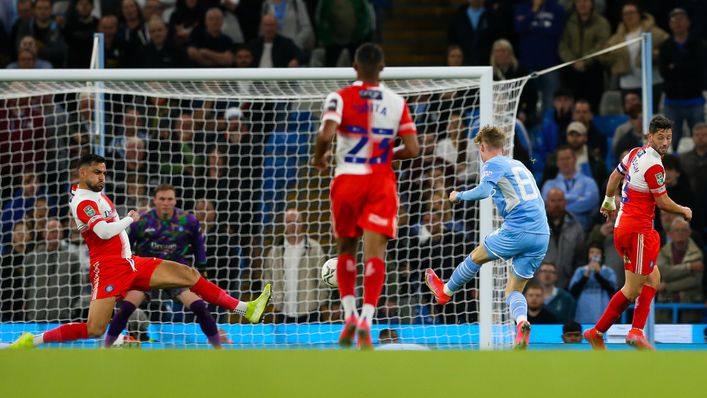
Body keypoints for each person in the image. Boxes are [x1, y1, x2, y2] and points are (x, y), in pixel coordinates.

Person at [9, 154, 272, 349]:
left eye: (104, 172)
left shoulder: (97, 196)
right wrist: (130, 219)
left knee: (187, 274)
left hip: (130, 262)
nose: (102, 177)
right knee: (94, 328)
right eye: (96, 172)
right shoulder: (82, 202)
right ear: (81, 173)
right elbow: (102, 232)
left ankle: (246, 309)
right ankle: (34, 340)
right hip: (109, 269)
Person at [311, 43, 420, 349]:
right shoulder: (397, 102)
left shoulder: (339, 97)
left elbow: (326, 134)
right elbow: (413, 149)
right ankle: (367, 321)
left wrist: (319, 157)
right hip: (379, 181)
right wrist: (386, 154)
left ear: (355, 67)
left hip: (347, 179)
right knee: (376, 255)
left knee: (346, 248)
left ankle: (348, 315)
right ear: (382, 67)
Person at [425, 126, 550, 349]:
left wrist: (458, 196)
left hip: (518, 229)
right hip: (542, 234)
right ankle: (522, 323)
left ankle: (445, 293)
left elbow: (483, 191)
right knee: (513, 290)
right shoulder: (518, 165)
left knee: (475, 257)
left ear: (482, 147)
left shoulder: (493, 163)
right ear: (502, 146)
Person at [583, 115, 692, 351]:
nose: (665, 142)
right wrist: (683, 210)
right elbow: (662, 202)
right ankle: (600, 332)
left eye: (669, 138)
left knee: (653, 277)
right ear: (650, 136)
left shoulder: (634, 153)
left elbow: (614, 177)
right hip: (639, 232)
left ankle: (632, 331)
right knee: (632, 290)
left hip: (622, 228)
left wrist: (609, 200)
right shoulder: (654, 165)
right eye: (660, 137)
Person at [102, 184, 224, 348]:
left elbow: (199, 247)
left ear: (175, 201)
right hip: (147, 271)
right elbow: (127, 247)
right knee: (126, 308)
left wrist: (202, 271)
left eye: (170, 199)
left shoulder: (188, 221)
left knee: (199, 306)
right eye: (162, 199)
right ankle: (105, 346)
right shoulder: (143, 220)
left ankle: (218, 347)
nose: (166, 203)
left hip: (174, 271)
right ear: (155, 201)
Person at [262, 208, 328, 323]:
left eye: (296, 222)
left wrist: (320, 302)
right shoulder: (275, 251)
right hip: (283, 312)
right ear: (284, 224)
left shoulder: (315, 248)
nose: (292, 225)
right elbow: (267, 280)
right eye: (289, 222)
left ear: (302, 223)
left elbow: (323, 279)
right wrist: (275, 303)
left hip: (310, 312)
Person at [658, 8, 705, 151]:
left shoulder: (698, 44)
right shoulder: (665, 46)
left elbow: (700, 70)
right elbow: (664, 72)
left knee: (701, 139)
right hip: (672, 101)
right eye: (674, 20)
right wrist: (686, 67)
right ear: (670, 25)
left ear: (688, 23)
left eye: (681, 19)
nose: (678, 23)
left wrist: (676, 67)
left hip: (695, 99)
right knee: (671, 141)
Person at [541, 145, 599, 232]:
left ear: (575, 159)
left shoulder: (589, 182)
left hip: (583, 230)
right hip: (555, 231)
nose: (565, 162)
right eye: (562, 159)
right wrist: (577, 198)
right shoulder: (548, 185)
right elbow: (547, 206)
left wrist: (561, 206)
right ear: (557, 162)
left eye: (568, 158)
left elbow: (590, 202)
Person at [656, 218, 703, 323]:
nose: (680, 233)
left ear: (689, 233)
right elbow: (664, 272)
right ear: (670, 234)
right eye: (676, 230)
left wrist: (667, 286)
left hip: (690, 306)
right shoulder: (663, 252)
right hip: (665, 305)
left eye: (683, 230)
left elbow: (694, 281)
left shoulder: (697, 253)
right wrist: (689, 267)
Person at [569, 243, 617, 323]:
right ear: (587, 255)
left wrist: (598, 274)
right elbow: (573, 291)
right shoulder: (580, 271)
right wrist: (586, 275)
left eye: (598, 253)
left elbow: (613, 290)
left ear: (602, 255)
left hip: (604, 306)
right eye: (591, 252)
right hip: (584, 308)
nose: (595, 255)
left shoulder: (608, 271)